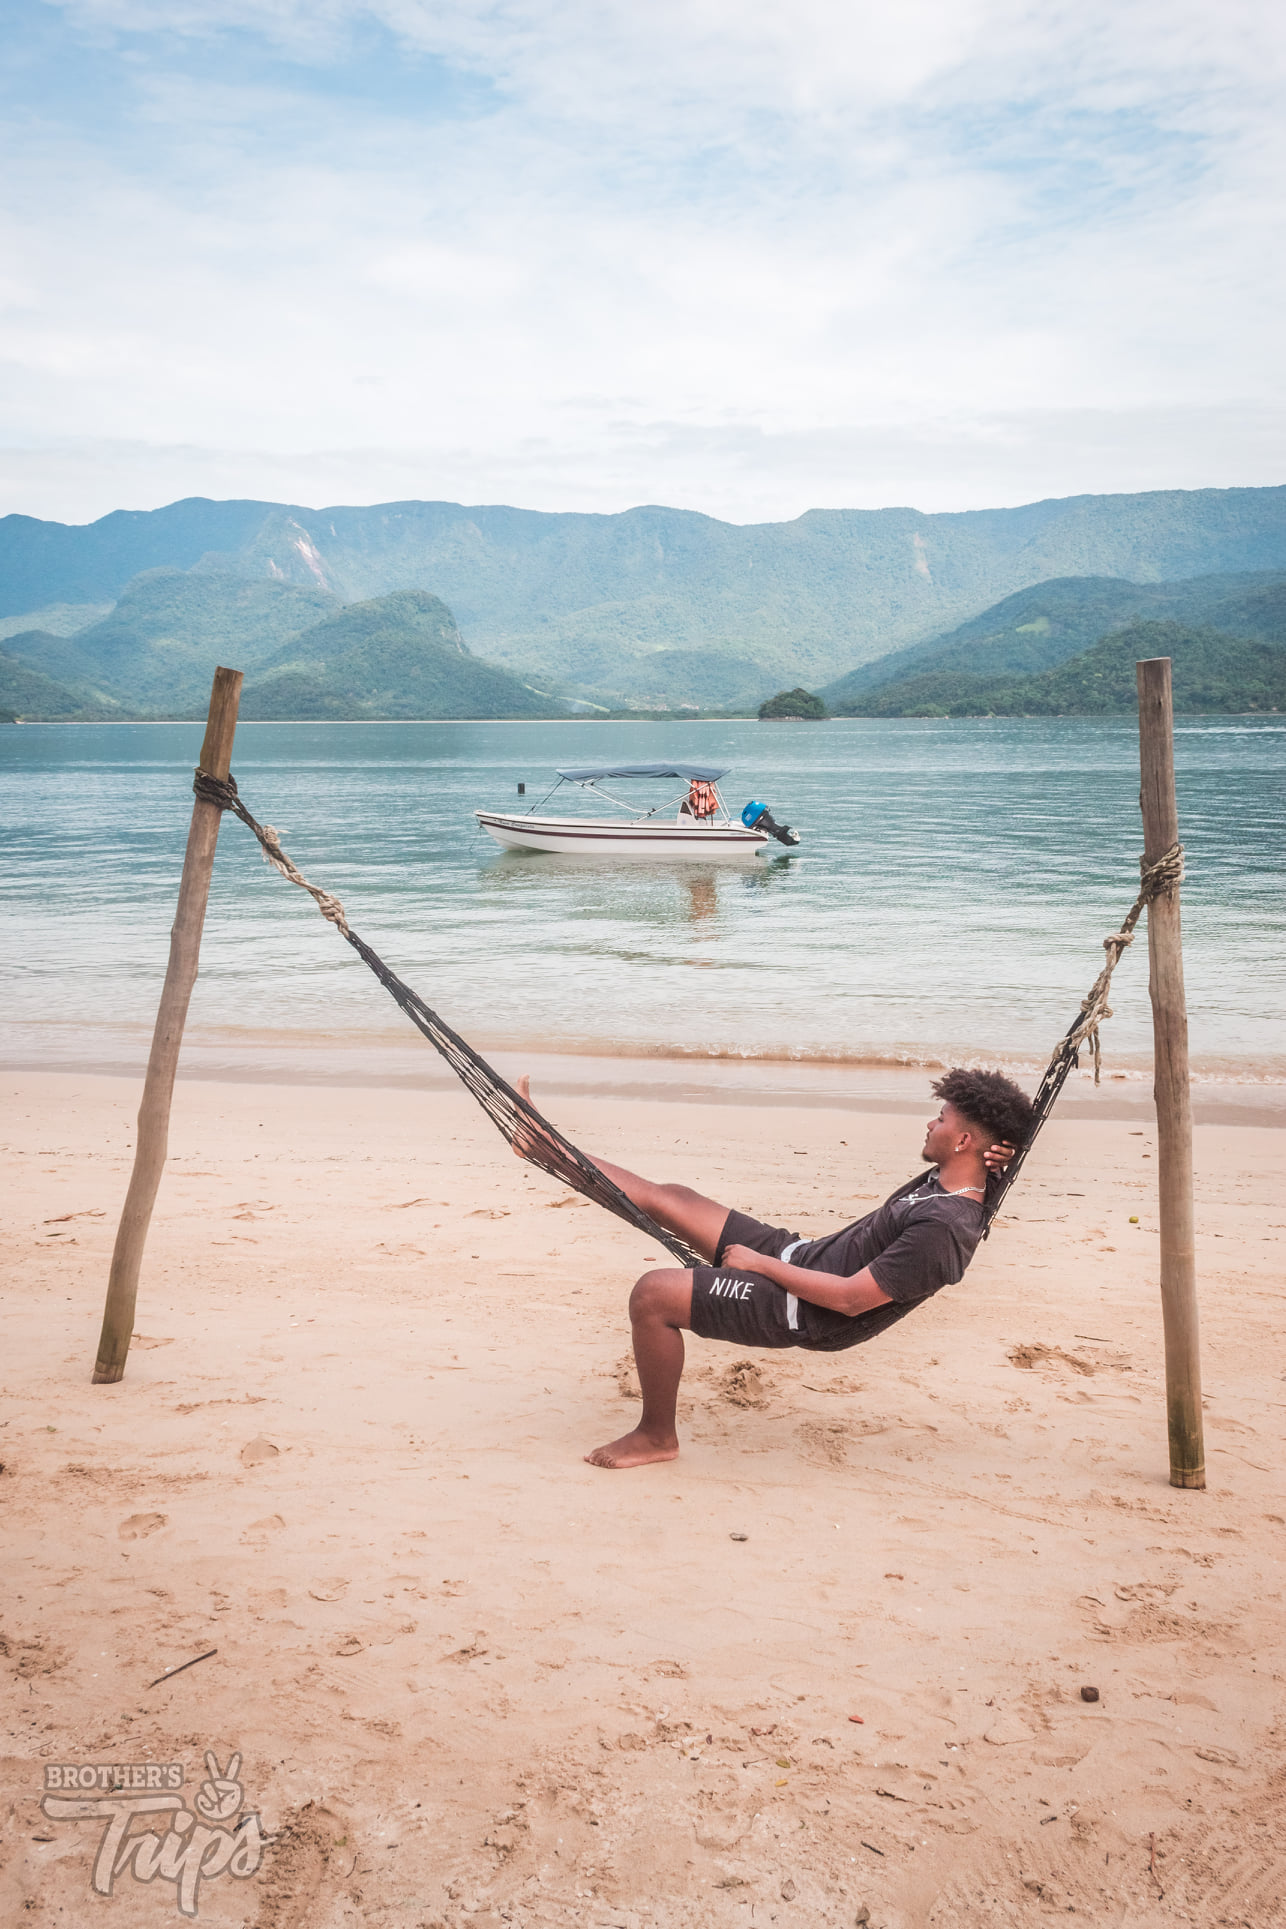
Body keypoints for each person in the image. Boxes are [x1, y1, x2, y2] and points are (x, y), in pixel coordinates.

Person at [519, 1067, 1033, 1469]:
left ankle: (656, 1436)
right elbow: (985, 1150)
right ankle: (546, 1143)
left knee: (653, 1294)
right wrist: (1000, 1154)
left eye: (940, 1119)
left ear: (964, 1142)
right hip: (803, 1257)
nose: (930, 1123)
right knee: (672, 1197)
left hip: (804, 1309)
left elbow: (852, 1300)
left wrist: (758, 1265)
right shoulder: (953, 1176)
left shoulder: (945, 1227)